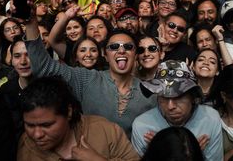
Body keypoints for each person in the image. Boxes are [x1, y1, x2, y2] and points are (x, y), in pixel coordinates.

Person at [24, 12, 156, 137]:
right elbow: (43, 67)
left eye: (128, 47)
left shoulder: (150, 92)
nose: (121, 50)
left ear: (136, 54)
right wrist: (30, 23)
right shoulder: (87, 79)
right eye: (114, 47)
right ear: (104, 53)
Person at [17, 76, 139, 161]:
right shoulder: (27, 145)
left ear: (68, 112)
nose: (37, 134)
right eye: (30, 125)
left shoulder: (106, 131)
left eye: (47, 125)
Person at [132, 60, 224, 161]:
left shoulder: (210, 119)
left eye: (178, 97)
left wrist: (194, 154)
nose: (170, 106)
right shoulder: (143, 126)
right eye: (164, 97)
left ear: (193, 96)